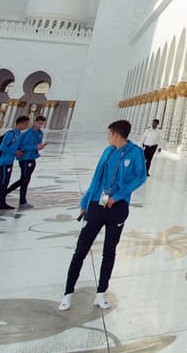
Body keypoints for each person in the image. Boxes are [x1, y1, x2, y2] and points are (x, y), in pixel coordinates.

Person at [59, 119, 147, 311]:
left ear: (116, 134)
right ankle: (68, 292)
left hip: (117, 207)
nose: (108, 137)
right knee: (81, 249)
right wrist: (85, 202)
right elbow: (96, 178)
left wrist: (118, 195)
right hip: (97, 205)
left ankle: (101, 293)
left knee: (109, 251)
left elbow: (140, 176)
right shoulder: (107, 152)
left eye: (109, 134)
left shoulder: (135, 153)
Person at [6, 114, 48, 209]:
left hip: (32, 157)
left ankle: (4, 192)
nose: (40, 125)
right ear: (35, 122)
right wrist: (35, 147)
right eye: (39, 123)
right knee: (25, 180)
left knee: (24, 179)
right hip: (25, 159)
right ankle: (22, 201)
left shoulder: (40, 133)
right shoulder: (28, 133)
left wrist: (40, 147)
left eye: (42, 124)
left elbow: (37, 145)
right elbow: (22, 147)